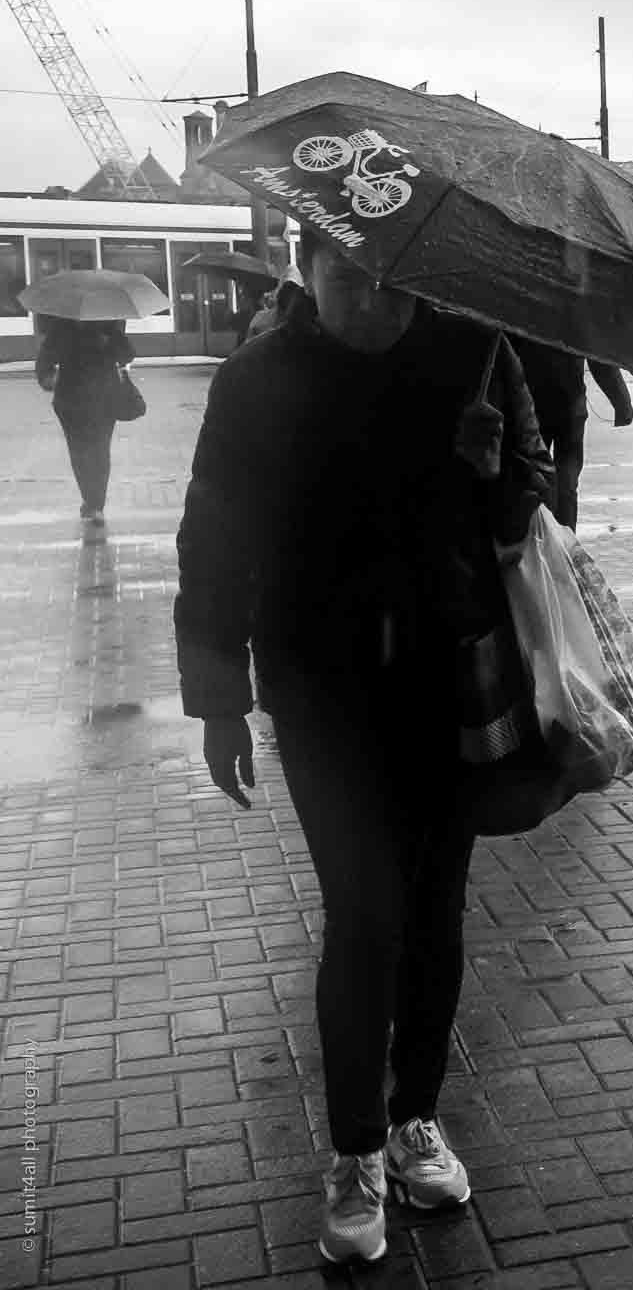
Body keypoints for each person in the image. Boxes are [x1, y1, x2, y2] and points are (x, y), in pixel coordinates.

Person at [176, 229, 553, 1265]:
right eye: (347, 274)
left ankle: (415, 1115)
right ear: (305, 263)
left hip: (444, 674)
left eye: (391, 278)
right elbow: (214, 537)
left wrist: (491, 472)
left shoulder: (465, 353)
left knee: (434, 906)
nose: (372, 298)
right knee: (364, 911)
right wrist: (217, 694)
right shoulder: (258, 381)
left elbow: (534, 493)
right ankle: (352, 1152)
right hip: (321, 686)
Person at [512, 341, 633, 529]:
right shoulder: (575, 312)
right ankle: (565, 543)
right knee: (566, 487)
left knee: (533, 481)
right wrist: (621, 402)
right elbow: (599, 358)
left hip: (534, 410)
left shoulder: (526, 311)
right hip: (567, 409)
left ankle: (539, 541)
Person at [35, 314, 135, 525]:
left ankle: (94, 503)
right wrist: (48, 376)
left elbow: (127, 354)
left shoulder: (105, 325)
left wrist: (111, 341)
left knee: (95, 450)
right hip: (75, 401)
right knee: (84, 451)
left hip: (97, 400)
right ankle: (92, 501)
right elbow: (46, 359)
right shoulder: (71, 326)